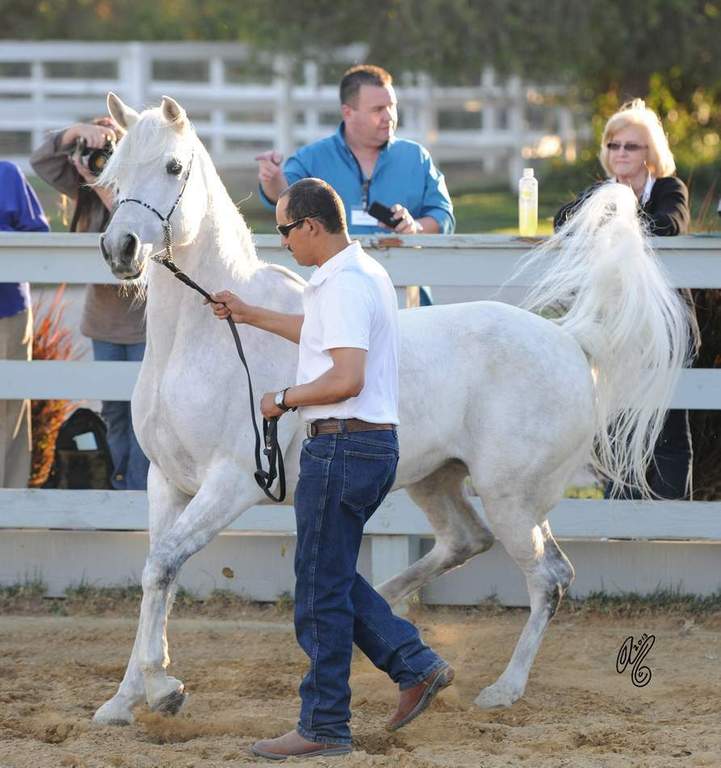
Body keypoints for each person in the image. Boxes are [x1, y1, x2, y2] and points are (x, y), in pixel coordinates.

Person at [208, 178, 454, 760]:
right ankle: (415, 666)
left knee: (319, 591)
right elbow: (318, 336)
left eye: (285, 230)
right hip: (365, 446)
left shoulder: (342, 285)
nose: (283, 241)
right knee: (331, 575)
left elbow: (346, 378)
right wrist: (248, 313)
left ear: (312, 226)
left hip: (342, 445)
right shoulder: (355, 274)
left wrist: (283, 398)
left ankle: (323, 725)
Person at [554, 98, 692, 498]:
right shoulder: (603, 191)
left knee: (668, 430)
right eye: (613, 145)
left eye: (630, 146)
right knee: (616, 427)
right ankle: (620, 522)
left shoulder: (667, 188)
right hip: (616, 330)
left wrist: (619, 218)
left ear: (651, 153)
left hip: (663, 330)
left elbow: (672, 223)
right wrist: (607, 204)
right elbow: (563, 220)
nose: (620, 154)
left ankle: (669, 527)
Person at [256, 64, 455, 306]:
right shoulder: (313, 157)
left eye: (392, 106)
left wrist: (415, 227)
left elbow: (443, 215)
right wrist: (273, 178)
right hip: (335, 299)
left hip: (406, 301)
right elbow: (282, 199)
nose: (389, 116)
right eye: (378, 109)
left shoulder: (416, 157)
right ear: (348, 112)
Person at [30, 119, 150, 490]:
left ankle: (138, 494)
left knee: (142, 414)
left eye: (111, 151)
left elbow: (134, 236)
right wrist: (75, 135)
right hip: (102, 322)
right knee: (114, 412)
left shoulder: (140, 186)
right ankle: (114, 489)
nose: (104, 159)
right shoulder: (83, 187)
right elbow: (41, 161)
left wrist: (103, 184)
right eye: (100, 152)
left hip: (143, 323)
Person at [0, 162, 50, 487]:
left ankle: (10, 502)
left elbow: (40, 238)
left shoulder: (7, 174)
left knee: (11, 411)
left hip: (9, 312)